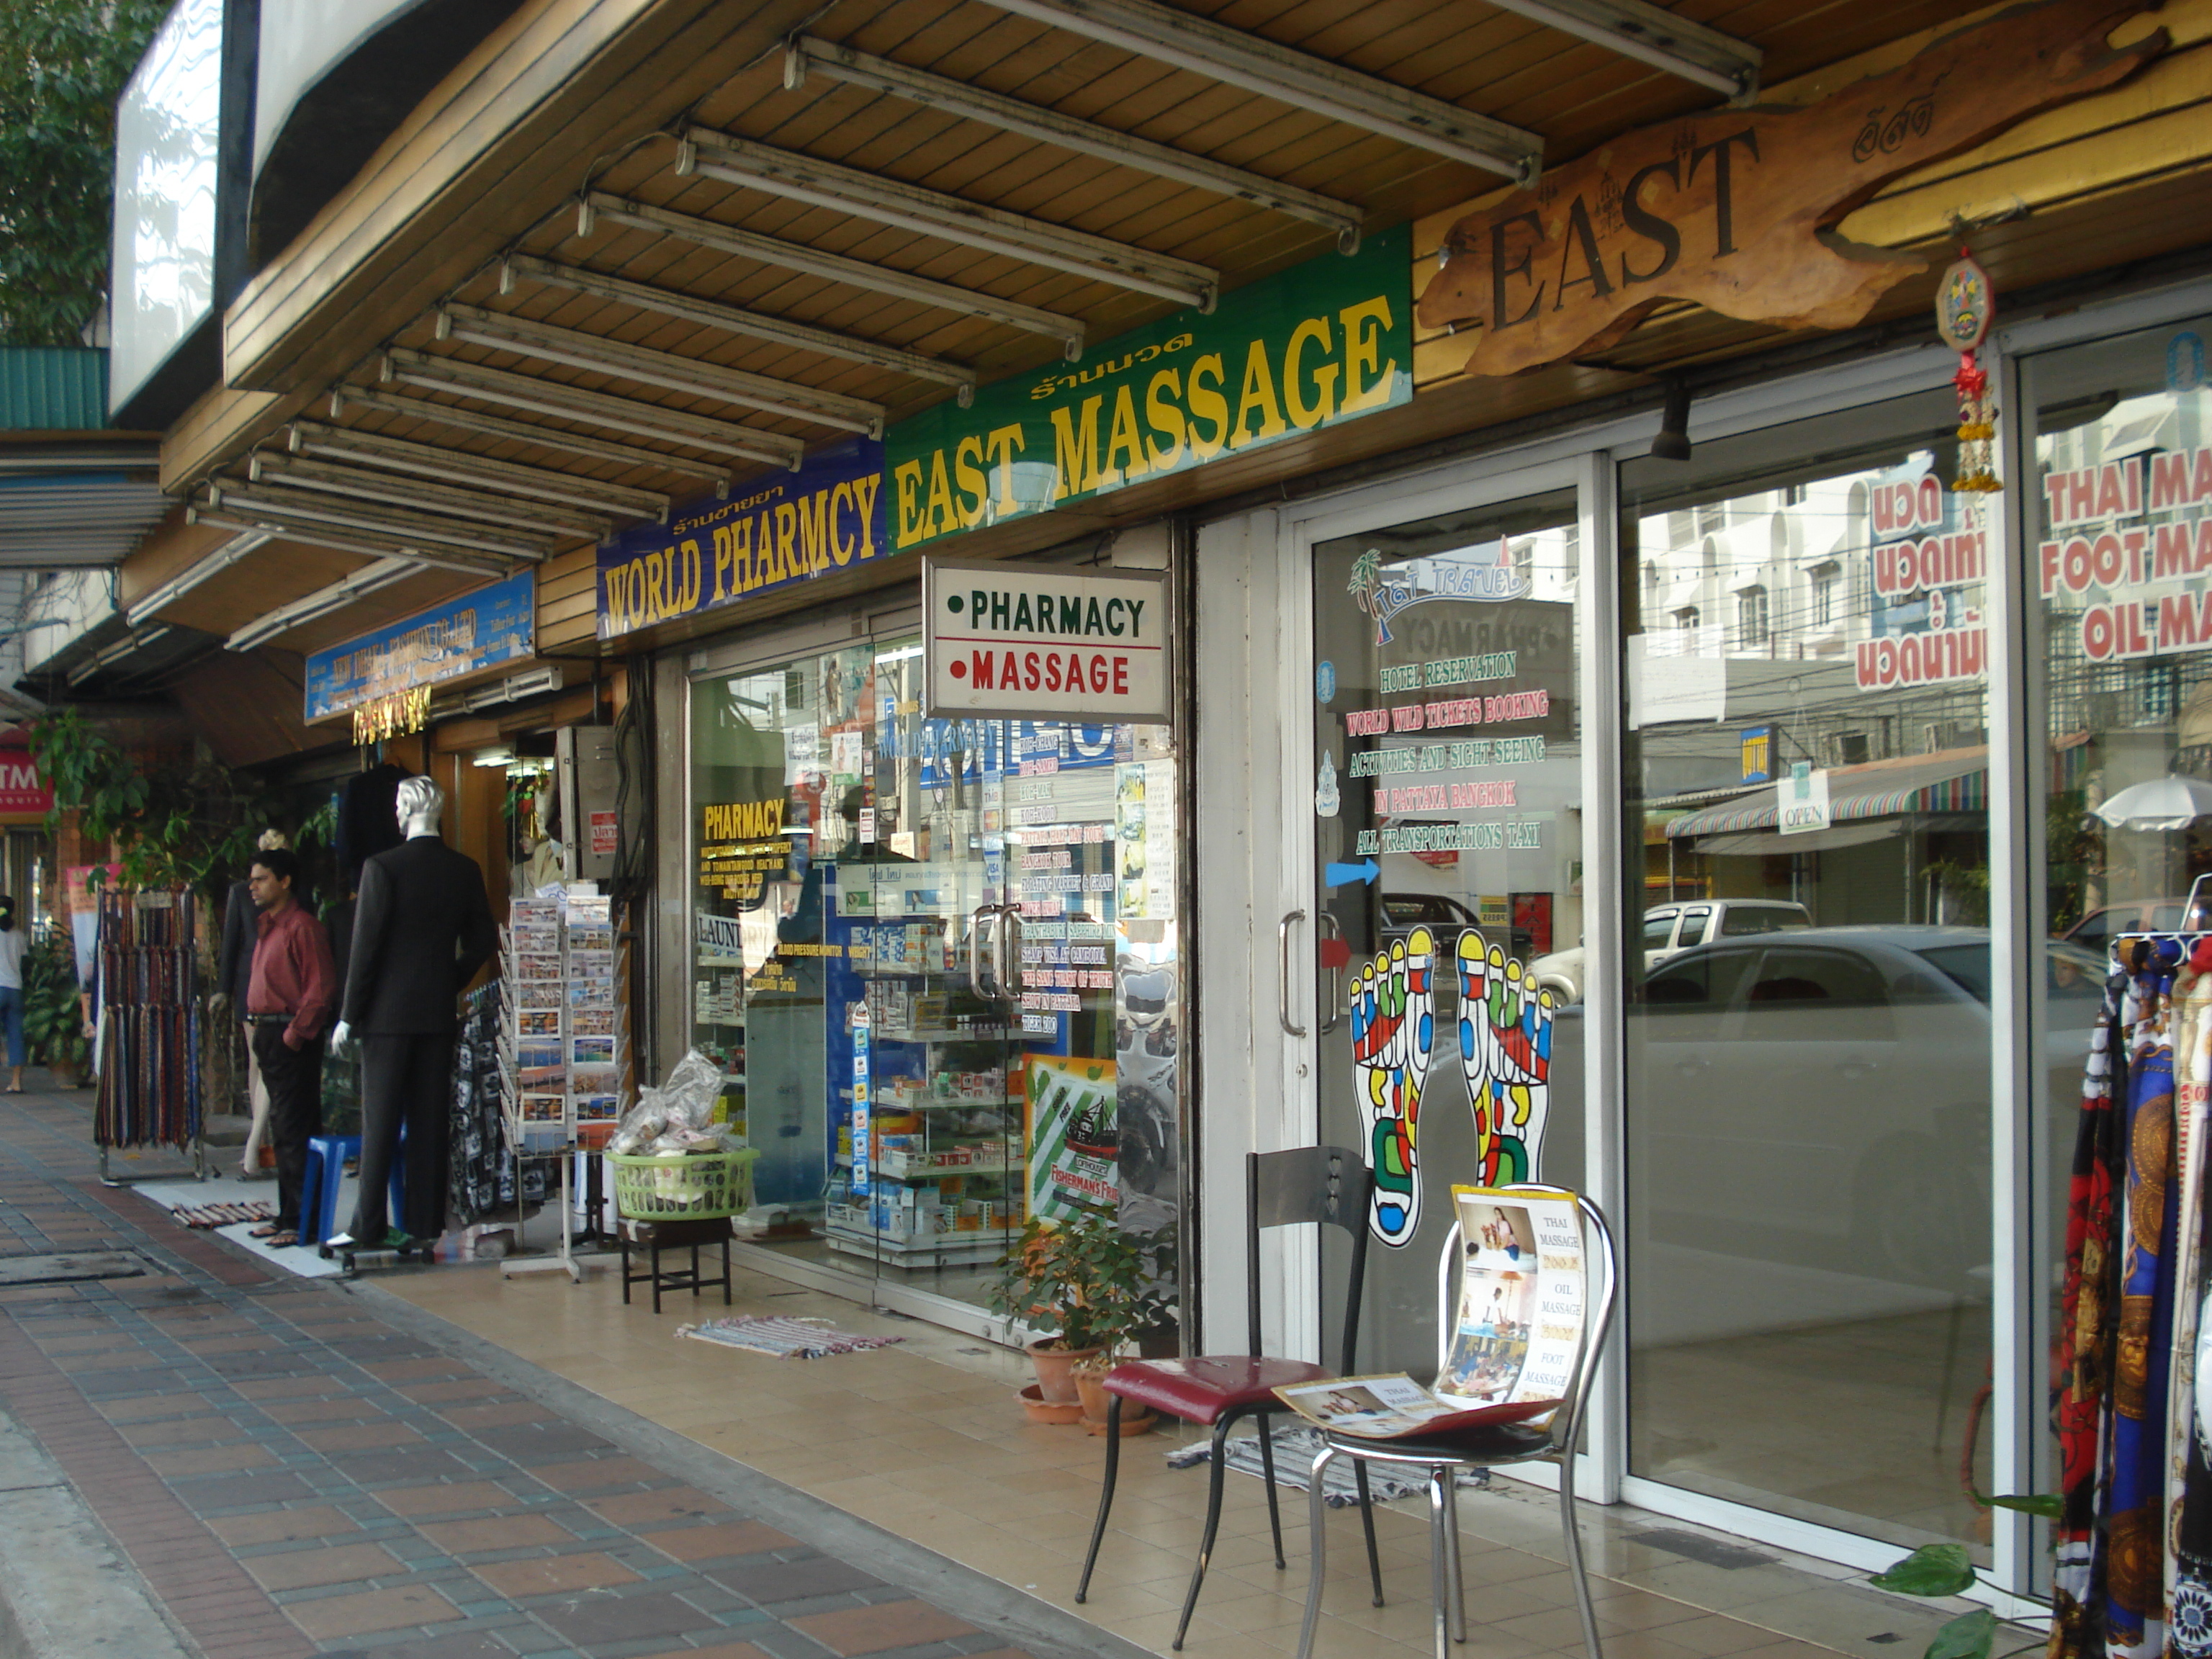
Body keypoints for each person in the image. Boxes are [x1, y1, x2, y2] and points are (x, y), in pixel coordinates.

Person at [330, 776, 495, 1252]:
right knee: (429, 1122)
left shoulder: (383, 868)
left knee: (379, 1122)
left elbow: (366, 950)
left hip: (386, 1015)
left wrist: (348, 1015)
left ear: (405, 810)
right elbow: (483, 937)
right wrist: (452, 977)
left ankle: (368, 1227)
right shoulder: (463, 869)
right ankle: (424, 1225)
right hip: (437, 1012)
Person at [243, 848, 335, 1248]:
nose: (253, 886)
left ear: (284, 881)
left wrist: (294, 1036)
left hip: (290, 1036)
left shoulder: (303, 927)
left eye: (261, 878)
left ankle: (304, 1222)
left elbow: (320, 990)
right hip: (269, 1033)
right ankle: (288, 1216)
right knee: (283, 1129)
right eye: (252, 879)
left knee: (296, 1129)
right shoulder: (268, 927)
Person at [216, 830, 290, 1178]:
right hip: (251, 984)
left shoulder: (294, 891)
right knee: (257, 1063)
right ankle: (259, 1136)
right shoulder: (240, 893)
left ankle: (262, 1140)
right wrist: (223, 988)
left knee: (270, 1063)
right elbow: (231, 943)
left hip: (285, 986)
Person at [0, 896, 24, 1093]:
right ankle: (16, 1082)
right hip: (15, 989)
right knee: (16, 1035)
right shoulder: (18, 935)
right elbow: (24, 960)